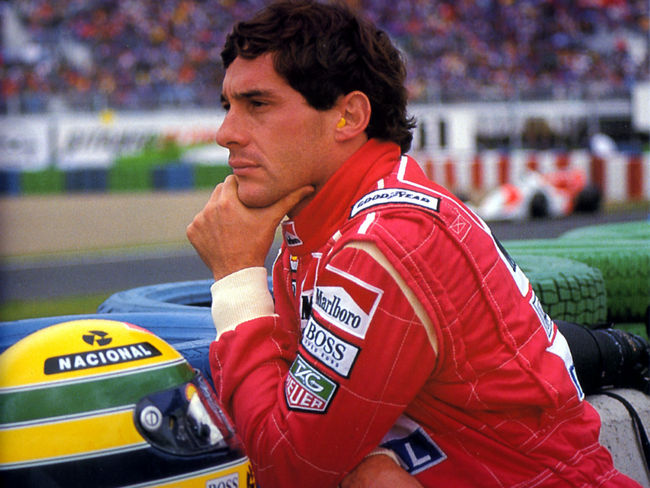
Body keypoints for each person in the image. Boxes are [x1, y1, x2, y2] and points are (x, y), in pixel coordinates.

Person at [187, 1, 641, 486]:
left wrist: (236, 276)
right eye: (228, 107)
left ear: (348, 116)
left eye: (257, 105)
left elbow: (290, 468)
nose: (226, 134)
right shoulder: (327, 231)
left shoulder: (382, 246)